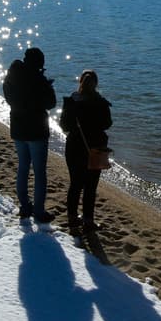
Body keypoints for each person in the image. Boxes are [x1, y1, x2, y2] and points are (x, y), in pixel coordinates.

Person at [3, 47, 56, 222]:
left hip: (18, 128)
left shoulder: (12, 76)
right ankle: (39, 212)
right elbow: (51, 103)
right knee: (39, 172)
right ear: (39, 63)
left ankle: (25, 207)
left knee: (23, 168)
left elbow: (9, 98)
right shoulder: (38, 79)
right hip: (37, 130)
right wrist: (47, 86)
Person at [59, 69, 113, 236]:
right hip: (95, 149)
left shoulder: (71, 101)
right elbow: (107, 124)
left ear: (80, 82)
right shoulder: (101, 103)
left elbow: (64, 126)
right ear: (96, 84)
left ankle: (72, 218)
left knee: (75, 184)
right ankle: (88, 221)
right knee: (91, 186)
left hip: (75, 146)